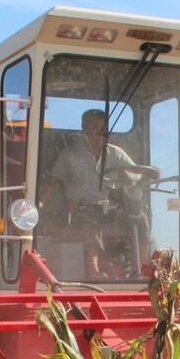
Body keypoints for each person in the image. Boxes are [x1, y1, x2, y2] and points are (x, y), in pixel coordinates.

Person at [44, 109, 142, 277]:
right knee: (91, 216)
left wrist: (139, 175)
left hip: (111, 208)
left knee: (141, 219)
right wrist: (40, 202)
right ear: (84, 129)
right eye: (94, 127)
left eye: (103, 128)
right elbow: (54, 182)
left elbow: (137, 173)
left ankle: (143, 270)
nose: (99, 131)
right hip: (79, 209)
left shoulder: (116, 153)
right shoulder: (69, 155)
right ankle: (93, 271)